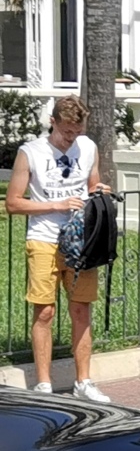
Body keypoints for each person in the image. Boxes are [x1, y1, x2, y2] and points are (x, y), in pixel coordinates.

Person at [4, 95, 112, 401]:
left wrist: (100, 191)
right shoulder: (31, 152)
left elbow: (92, 184)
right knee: (45, 312)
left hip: (81, 240)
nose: (72, 138)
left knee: (81, 309)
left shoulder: (88, 147)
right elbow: (13, 202)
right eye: (67, 132)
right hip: (44, 237)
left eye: (77, 132)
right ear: (53, 122)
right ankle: (44, 383)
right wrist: (56, 204)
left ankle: (84, 382)